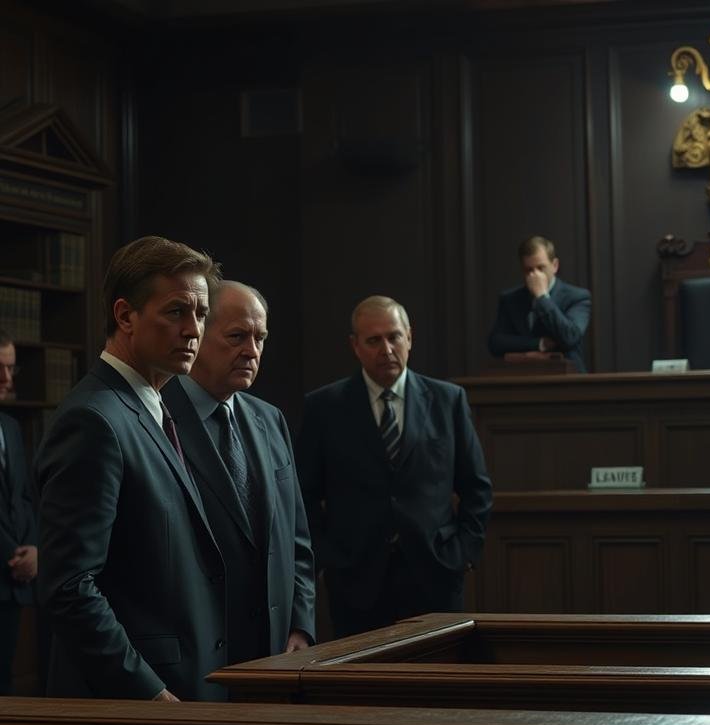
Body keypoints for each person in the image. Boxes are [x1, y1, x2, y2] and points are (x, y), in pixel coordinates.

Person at [35, 236, 227, 701]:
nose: (193, 330)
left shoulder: (154, 408)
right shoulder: (95, 419)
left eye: (201, 314)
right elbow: (69, 588)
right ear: (125, 316)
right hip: (136, 704)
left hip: (188, 685)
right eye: (177, 311)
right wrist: (150, 693)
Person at [298, 295, 492, 638]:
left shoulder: (448, 400)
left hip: (436, 575)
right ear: (355, 346)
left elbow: (477, 488)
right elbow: (304, 495)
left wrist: (463, 553)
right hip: (355, 580)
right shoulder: (323, 407)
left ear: (410, 337)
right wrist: (328, 556)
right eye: (373, 340)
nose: (386, 348)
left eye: (394, 336)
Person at [162, 281, 316, 669]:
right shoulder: (155, 416)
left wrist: (300, 625)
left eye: (260, 338)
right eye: (236, 337)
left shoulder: (270, 418)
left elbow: (296, 538)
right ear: (196, 335)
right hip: (193, 658)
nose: (252, 351)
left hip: (275, 651)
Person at [488, 236, 592, 372]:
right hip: (523, 379)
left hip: (568, 380)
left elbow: (570, 337)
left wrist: (542, 297)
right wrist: (540, 343)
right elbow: (496, 343)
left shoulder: (578, 297)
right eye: (528, 270)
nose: (534, 275)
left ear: (555, 266)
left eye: (540, 268)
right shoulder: (510, 299)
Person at [0, 330, 36, 695]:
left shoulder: (10, 427)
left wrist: (35, 548)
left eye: (11, 368)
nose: (6, 379)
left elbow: (24, 499)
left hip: (14, 586)